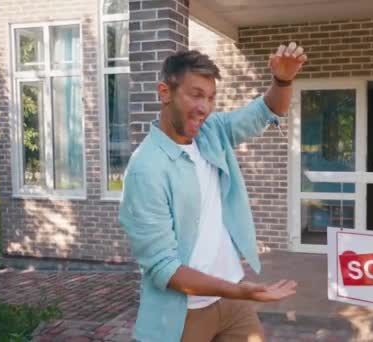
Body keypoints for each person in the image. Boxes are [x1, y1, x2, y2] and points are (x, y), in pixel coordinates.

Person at [119, 42, 307, 342]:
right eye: (195, 95)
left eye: (210, 97)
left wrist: (282, 80)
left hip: (232, 302)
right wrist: (236, 289)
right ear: (165, 92)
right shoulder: (147, 169)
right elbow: (163, 269)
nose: (204, 107)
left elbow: (267, 110)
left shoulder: (211, 131)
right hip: (183, 314)